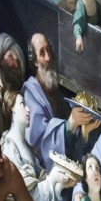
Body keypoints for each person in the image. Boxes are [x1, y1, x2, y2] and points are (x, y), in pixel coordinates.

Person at [22, 32, 71, 170]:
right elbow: (37, 141)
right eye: (42, 53)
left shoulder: (54, 89)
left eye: (48, 50)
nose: (48, 58)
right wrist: (70, 126)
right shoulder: (30, 94)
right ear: (35, 61)